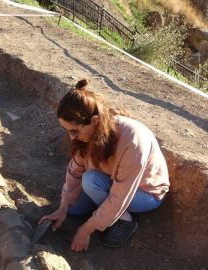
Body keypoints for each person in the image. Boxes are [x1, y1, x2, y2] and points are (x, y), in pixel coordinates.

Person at [39, 79, 170, 251]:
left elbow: (122, 194)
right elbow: (75, 172)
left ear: (94, 120)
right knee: (74, 209)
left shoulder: (132, 141)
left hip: (143, 193)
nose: (72, 137)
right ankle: (102, 209)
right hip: (109, 182)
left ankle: (125, 220)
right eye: (67, 131)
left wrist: (87, 228)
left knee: (90, 180)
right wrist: (63, 207)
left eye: (74, 131)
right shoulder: (88, 135)